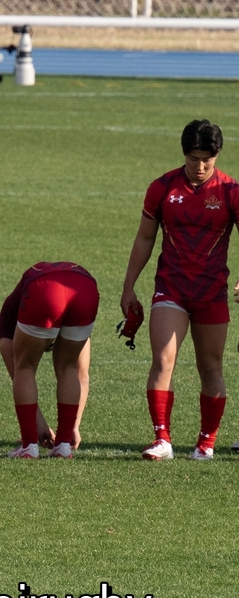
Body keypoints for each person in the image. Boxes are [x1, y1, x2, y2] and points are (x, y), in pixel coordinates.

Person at [121, 119, 239, 461]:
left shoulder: (231, 192)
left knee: (210, 367)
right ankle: (162, 439)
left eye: (206, 160)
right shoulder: (162, 188)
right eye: (193, 159)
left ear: (217, 155)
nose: (199, 167)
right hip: (170, 289)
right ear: (184, 154)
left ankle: (206, 444)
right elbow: (145, 237)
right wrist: (128, 286)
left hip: (211, 293)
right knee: (162, 360)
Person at [0, 262, 99, 459]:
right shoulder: (11, 317)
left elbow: (18, 370)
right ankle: (63, 447)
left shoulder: (7, 321)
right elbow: (81, 375)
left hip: (44, 289)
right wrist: (71, 426)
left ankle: (29, 446)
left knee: (25, 366)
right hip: (84, 288)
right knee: (68, 366)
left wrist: (35, 425)